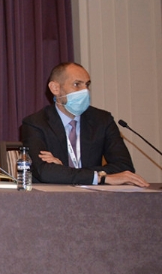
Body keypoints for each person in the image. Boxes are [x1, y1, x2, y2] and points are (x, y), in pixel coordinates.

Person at [20, 62, 148, 187]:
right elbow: (44, 172)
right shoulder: (36, 123)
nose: (85, 91)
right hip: (53, 196)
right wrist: (100, 177)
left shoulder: (102, 120)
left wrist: (65, 170)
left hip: (95, 197)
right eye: (77, 84)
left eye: (87, 85)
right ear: (55, 88)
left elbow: (124, 167)